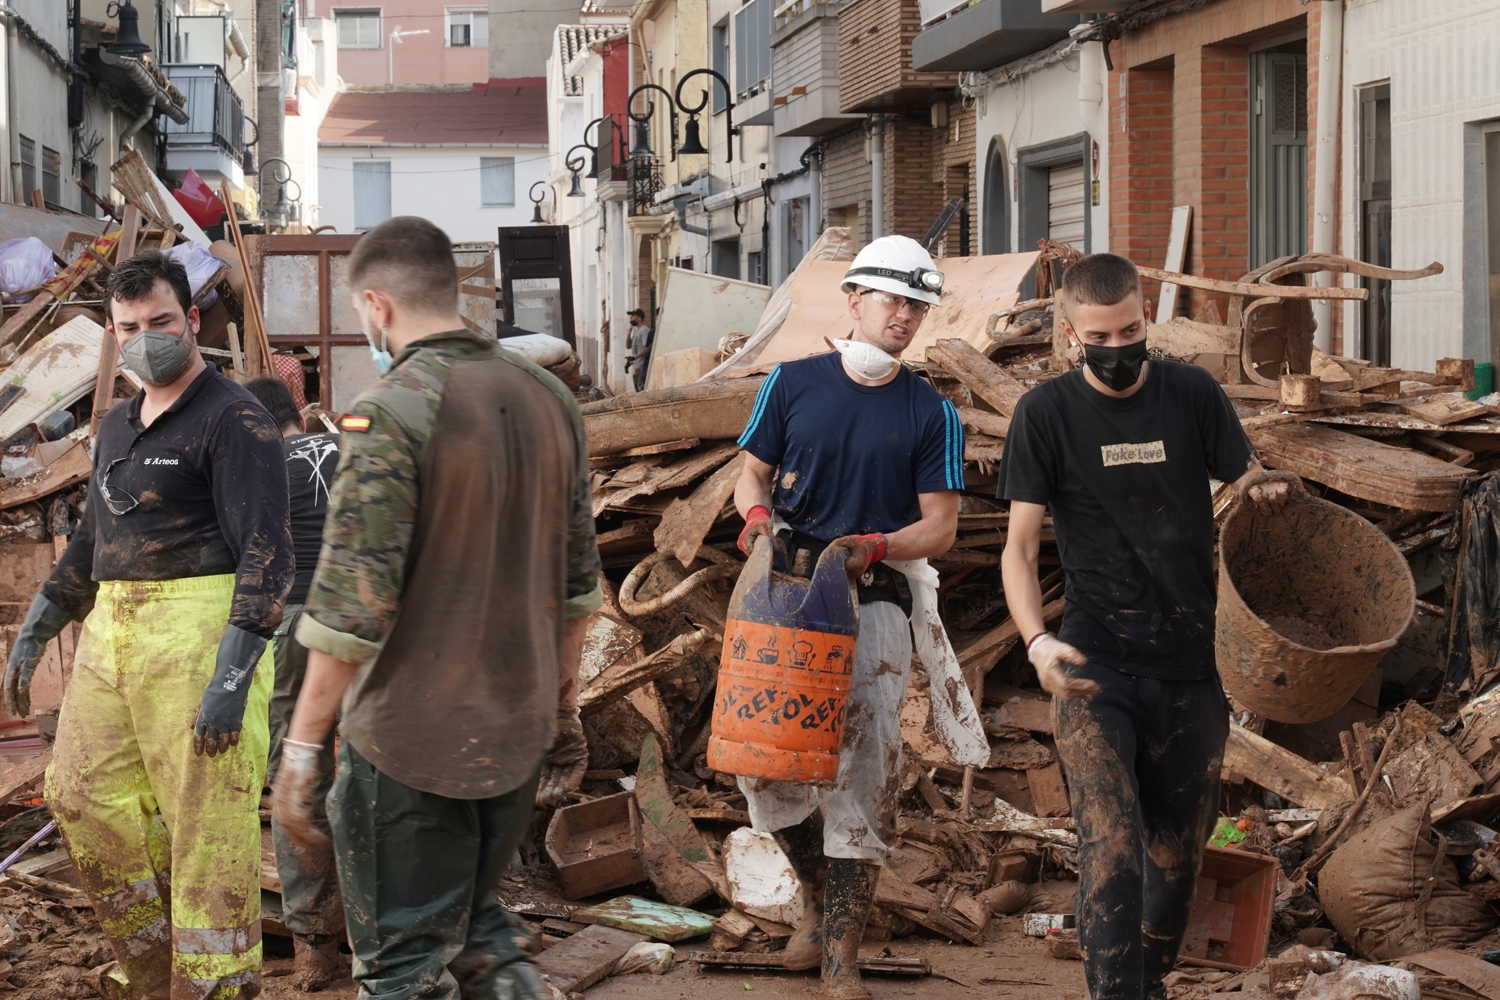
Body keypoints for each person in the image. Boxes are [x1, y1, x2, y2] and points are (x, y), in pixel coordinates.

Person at [270, 216, 601, 1000]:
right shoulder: (550, 398)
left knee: (402, 971)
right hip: (513, 737)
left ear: (377, 305)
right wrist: (560, 708)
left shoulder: (391, 411)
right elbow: (579, 586)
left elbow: (352, 609)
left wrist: (302, 752)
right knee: (476, 939)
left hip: (410, 750)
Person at [997, 253, 1289, 1000]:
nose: (1120, 348)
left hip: (1192, 665)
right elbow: (1020, 550)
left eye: (1131, 329)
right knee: (1111, 846)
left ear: (1146, 314)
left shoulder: (1191, 394)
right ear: (1069, 333)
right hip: (1093, 663)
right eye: (1102, 336)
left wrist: (1267, 488)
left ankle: (1148, 983)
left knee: (1173, 862)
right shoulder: (1046, 415)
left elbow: (1246, 479)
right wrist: (1037, 642)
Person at [3, 250, 293, 999]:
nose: (146, 337)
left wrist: (233, 678)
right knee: (77, 793)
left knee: (205, 825)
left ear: (192, 321)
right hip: (113, 638)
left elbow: (269, 553)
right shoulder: (119, 424)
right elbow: (97, 540)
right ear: (111, 331)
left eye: (161, 321)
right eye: (130, 326)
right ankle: (153, 965)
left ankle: (218, 984)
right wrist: (41, 622)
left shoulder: (235, 417)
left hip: (202, 637)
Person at [731, 235, 971, 1000]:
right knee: (762, 765)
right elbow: (752, 471)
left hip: (872, 605)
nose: (904, 314)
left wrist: (876, 544)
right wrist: (758, 515)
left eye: (917, 304)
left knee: (861, 770)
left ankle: (843, 951)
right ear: (855, 301)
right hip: (786, 599)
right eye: (892, 299)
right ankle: (813, 900)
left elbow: (940, 527)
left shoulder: (931, 411)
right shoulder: (791, 383)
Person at [243, 376, 347, 991]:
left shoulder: (256, 470)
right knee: (373, 774)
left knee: (297, 771)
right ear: (297, 417)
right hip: (364, 626)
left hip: (291, 632)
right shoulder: (353, 450)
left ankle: (313, 947)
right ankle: (380, 933)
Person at [626, 308, 653, 391]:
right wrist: (628, 334)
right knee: (637, 391)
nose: (631, 318)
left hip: (642, 366)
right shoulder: (636, 332)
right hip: (636, 366)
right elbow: (628, 346)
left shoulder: (644, 330)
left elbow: (646, 348)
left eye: (633, 316)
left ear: (639, 318)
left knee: (641, 390)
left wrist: (635, 357)